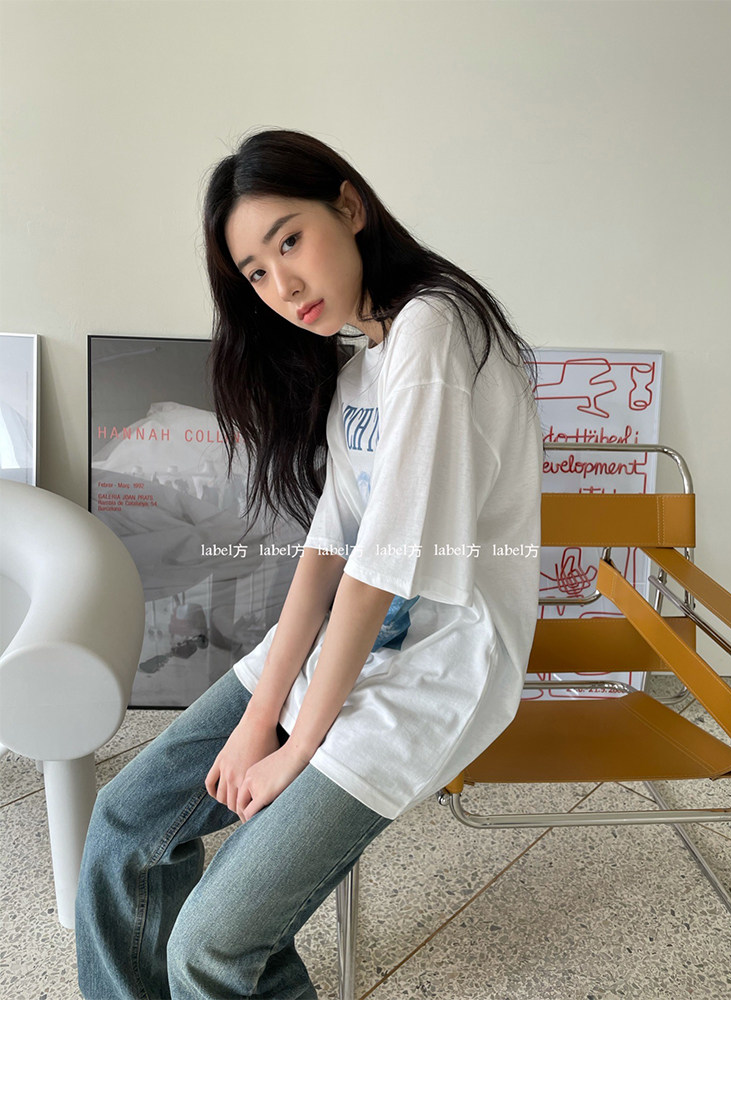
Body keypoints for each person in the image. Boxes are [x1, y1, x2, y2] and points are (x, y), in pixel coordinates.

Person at [75, 129, 543, 1000]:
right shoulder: (361, 363)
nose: (282, 287)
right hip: (351, 645)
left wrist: (295, 748)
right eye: (255, 271)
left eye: (289, 240)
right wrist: (258, 719)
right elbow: (328, 549)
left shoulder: (434, 326)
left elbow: (379, 570)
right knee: (124, 823)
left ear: (349, 206)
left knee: (210, 945)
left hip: (438, 666)